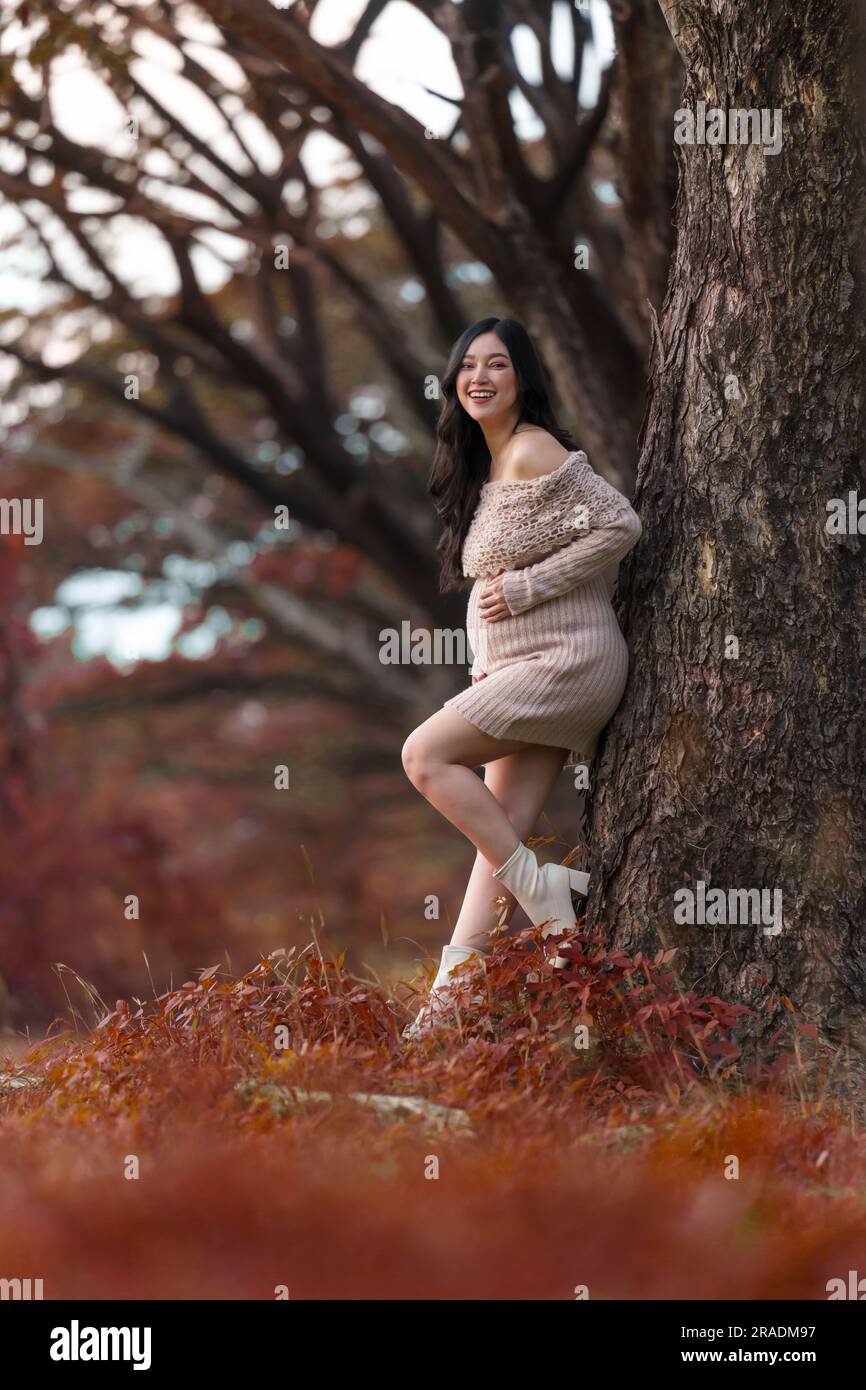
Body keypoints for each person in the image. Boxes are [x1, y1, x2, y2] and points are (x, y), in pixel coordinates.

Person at [401, 316, 641, 1038]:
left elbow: (620, 525)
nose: (479, 377)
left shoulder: (535, 449)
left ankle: (546, 895)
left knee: (424, 755)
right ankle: (444, 1012)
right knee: (497, 837)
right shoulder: (492, 462)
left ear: (523, 379)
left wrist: (532, 589)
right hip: (525, 671)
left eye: (497, 365)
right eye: (467, 365)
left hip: (566, 665)